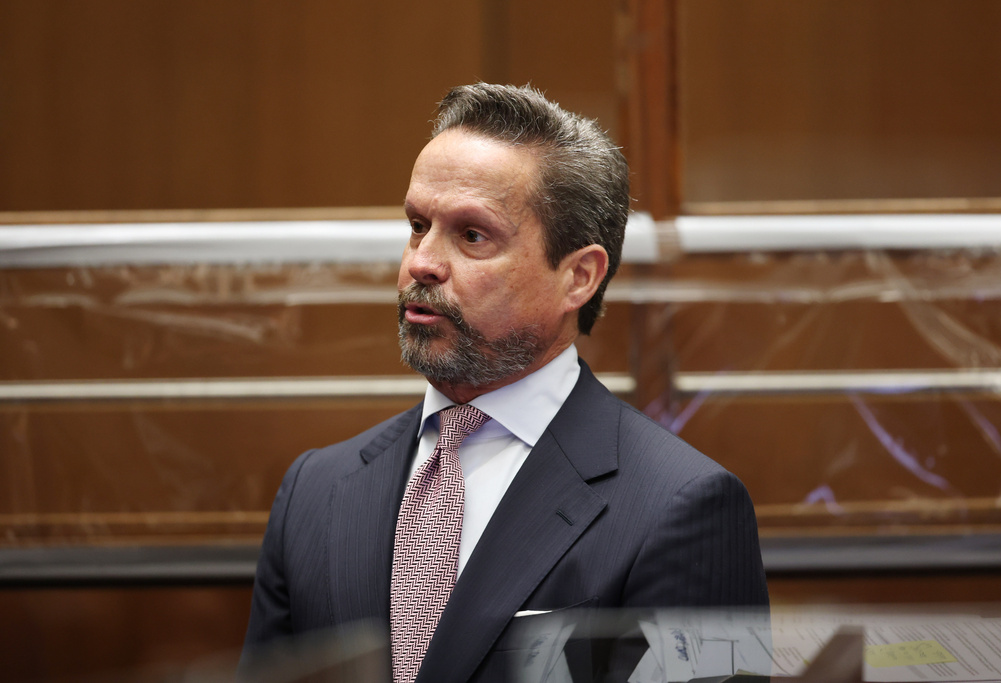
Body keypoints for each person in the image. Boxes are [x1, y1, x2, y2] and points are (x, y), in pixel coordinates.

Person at [242, 83, 768, 683]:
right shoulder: (314, 491)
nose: (421, 262)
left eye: (472, 235)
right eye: (417, 225)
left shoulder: (684, 506)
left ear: (579, 277)